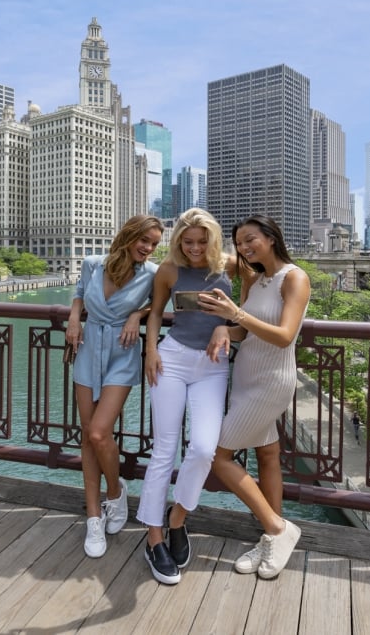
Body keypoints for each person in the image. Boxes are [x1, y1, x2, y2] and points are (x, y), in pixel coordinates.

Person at [203, 214, 311, 580]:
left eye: (251, 239)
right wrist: (224, 325)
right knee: (267, 454)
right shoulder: (257, 279)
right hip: (246, 377)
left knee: (217, 456)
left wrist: (234, 314)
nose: (246, 247)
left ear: (270, 236)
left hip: (271, 381)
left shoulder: (293, 277)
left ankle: (281, 530)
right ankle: (271, 536)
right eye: (240, 243)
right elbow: (245, 333)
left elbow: (284, 335)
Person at [136, 208, 241, 585]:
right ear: (178, 239)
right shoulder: (168, 269)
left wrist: (227, 327)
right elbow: (155, 313)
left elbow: (254, 305)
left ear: (213, 239)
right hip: (173, 359)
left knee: (201, 449)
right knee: (164, 449)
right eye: (188, 241)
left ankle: (178, 519)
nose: (195, 248)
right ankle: (154, 536)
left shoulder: (232, 265)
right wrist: (151, 350)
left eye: (202, 241)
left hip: (213, 366)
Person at [65, 214, 163, 559]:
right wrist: (75, 318)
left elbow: (165, 306)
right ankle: (93, 516)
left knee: (98, 432)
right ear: (128, 235)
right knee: (86, 434)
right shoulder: (93, 264)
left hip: (122, 354)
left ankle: (114, 491)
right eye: (144, 241)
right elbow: (78, 294)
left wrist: (138, 314)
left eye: (153, 244)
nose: (148, 249)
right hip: (87, 348)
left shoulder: (152, 273)